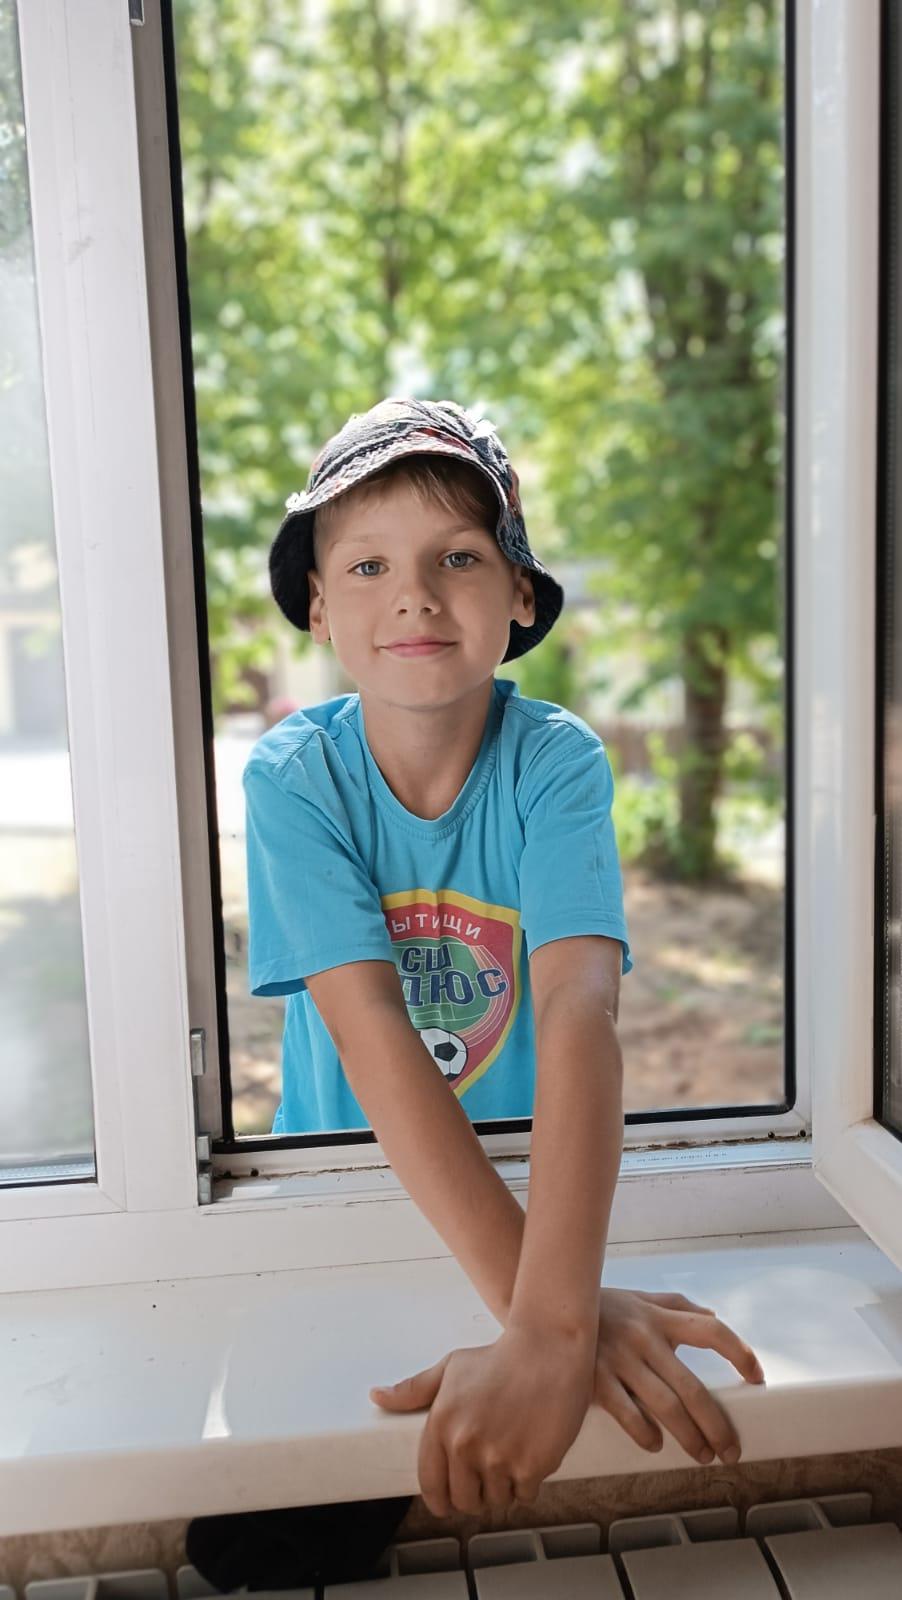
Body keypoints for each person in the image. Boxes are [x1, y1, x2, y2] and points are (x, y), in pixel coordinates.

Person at [242, 396, 765, 1520]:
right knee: (284, 1530)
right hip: (338, 1205)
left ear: (519, 592)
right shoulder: (293, 778)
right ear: (317, 605)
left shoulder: (555, 764)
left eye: (459, 556)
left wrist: (545, 1325)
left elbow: (580, 1010)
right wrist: (557, 1324)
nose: (415, 594)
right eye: (369, 565)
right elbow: (370, 1032)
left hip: (529, 1196)